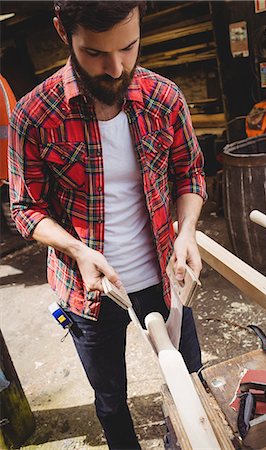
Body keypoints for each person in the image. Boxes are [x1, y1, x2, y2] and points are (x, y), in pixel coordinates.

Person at [8, 2, 207, 448]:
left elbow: (189, 174)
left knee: (191, 380)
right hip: (88, 289)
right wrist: (78, 251)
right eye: (96, 52)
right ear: (63, 31)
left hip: (165, 274)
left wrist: (188, 230)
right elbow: (24, 208)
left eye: (129, 47)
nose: (117, 67)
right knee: (111, 401)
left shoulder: (164, 97)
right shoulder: (34, 116)